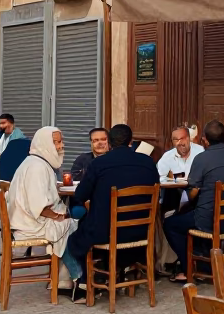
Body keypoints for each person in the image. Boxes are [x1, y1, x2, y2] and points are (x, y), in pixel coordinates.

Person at [62, 123, 159, 301]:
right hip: (142, 231)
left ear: (110, 142)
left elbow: (80, 195)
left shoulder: (99, 163)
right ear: (131, 141)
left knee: (75, 238)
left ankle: (88, 280)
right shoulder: (148, 162)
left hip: (106, 232)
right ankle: (116, 271)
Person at [164, 120, 224, 283]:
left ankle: (190, 267)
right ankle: (209, 262)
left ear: (204, 140)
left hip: (210, 221)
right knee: (194, 216)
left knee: (171, 223)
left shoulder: (202, 158)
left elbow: (193, 192)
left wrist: (182, 203)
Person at [6, 127, 76, 291]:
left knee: (71, 221)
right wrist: (59, 217)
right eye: (56, 142)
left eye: (61, 141)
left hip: (30, 220)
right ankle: (71, 278)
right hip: (32, 225)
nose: (61, 146)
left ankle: (61, 279)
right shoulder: (37, 167)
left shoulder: (37, 163)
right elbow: (39, 206)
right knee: (74, 226)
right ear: (45, 144)